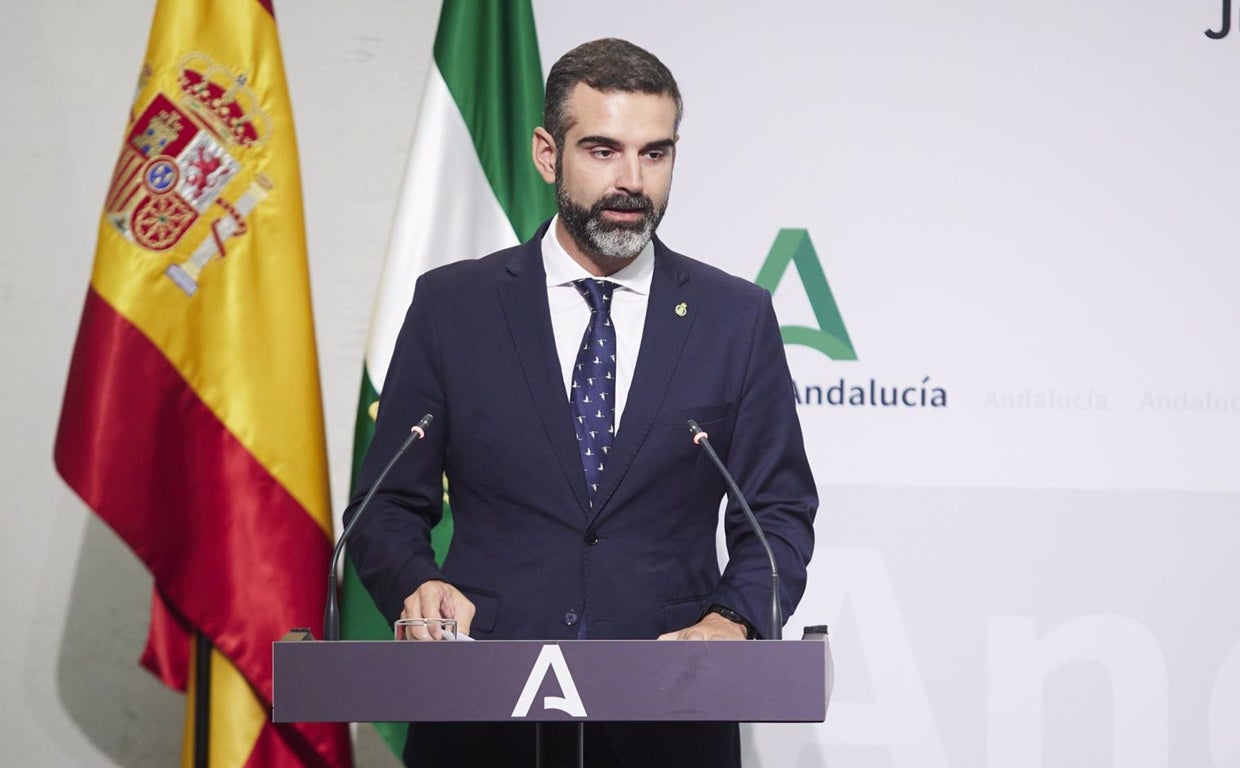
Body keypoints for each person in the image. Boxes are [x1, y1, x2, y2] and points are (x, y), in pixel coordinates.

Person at [346, 37, 817, 768]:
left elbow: (777, 512)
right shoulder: (453, 307)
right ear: (546, 153)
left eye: (655, 154)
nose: (632, 180)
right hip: (484, 719)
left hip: (669, 725)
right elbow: (384, 507)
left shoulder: (735, 317)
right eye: (603, 150)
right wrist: (417, 581)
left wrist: (735, 620)